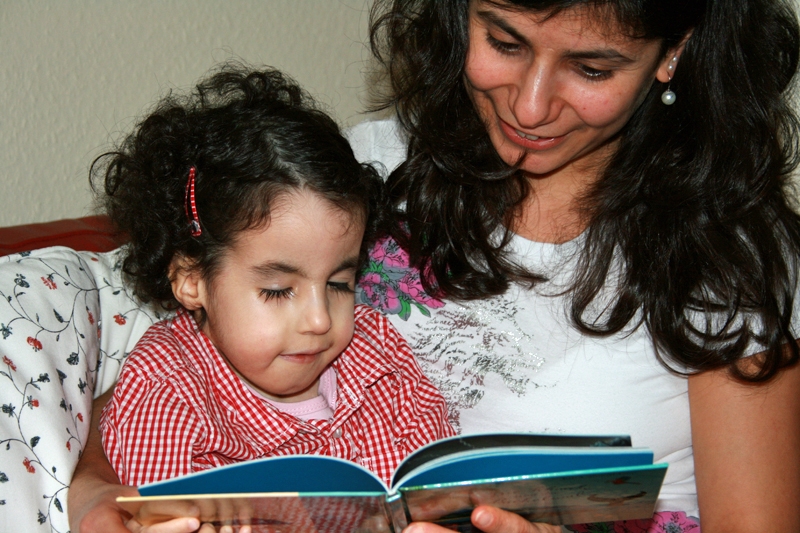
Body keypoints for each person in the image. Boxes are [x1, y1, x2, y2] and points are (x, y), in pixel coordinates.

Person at [68, 0, 800, 532]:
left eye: (591, 65)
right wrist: (95, 494)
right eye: (505, 40)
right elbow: (172, 374)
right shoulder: (375, 168)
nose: (532, 105)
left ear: (674, 50)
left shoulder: (729, 258)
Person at [88, 64, 454, 529]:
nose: (320, 320)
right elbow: (164, 515)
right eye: (279, 290)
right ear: (192, 280)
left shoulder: (377, 354)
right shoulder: (167, 388)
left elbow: (434, 483)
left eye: (339, 284)